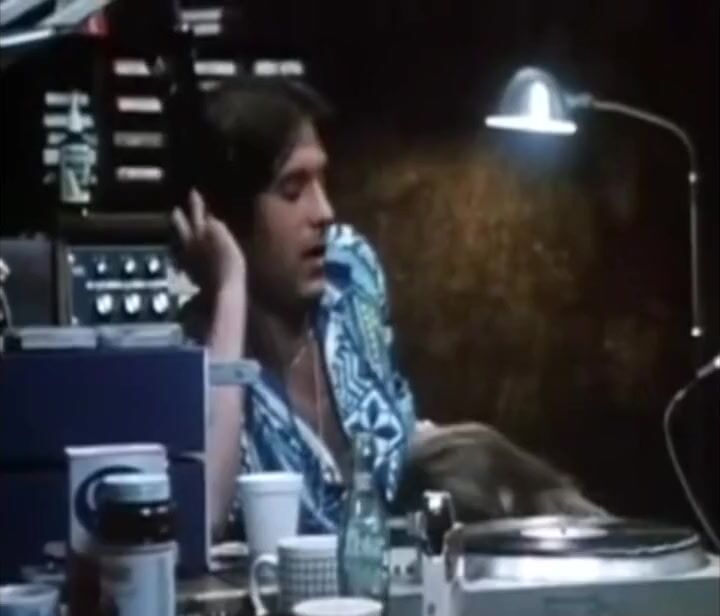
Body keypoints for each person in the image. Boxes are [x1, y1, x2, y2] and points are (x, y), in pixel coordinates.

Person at [172, 76, 605, 540]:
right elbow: (203, 522)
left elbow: (395, 438)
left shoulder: (348, 274)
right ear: (224, 217)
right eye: (293, 190)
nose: (324, 211)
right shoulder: (195, 359)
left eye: (322, 181)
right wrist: (230, 288)